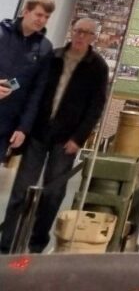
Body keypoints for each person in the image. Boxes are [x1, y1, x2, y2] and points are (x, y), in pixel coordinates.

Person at [0, 16, 109, 254]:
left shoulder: (98, 67)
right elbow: (28, 79)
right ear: (72, 31)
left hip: (66, 140)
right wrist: (8, 87)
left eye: (87, 33)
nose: (80, 36)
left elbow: (96, 107)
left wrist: (78, 138)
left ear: (93, 38)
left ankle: (37, 243)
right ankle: (6, 242)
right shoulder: (53, 57)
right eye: (78, 30)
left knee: (52, 193)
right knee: (21, 189)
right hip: (38, 133)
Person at [0, 0, 55, 161]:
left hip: (6, 124)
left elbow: (36, 92)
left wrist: (23, 128)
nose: (42, 20)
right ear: (25, 11)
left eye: (46, 17)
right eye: (39, 14)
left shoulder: (45, 49)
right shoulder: (2, 33)